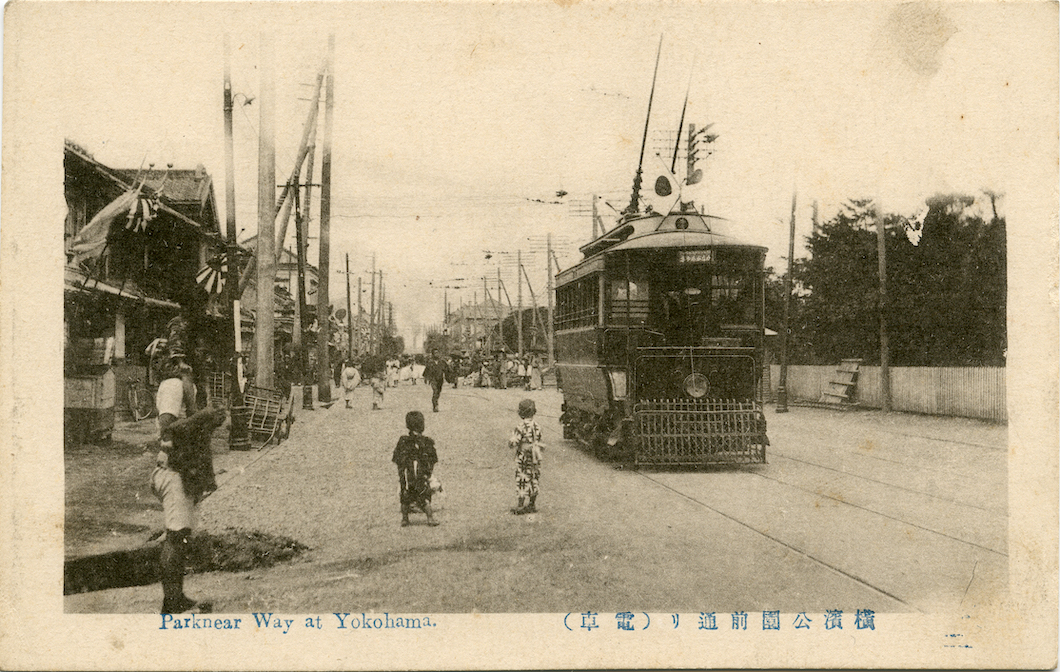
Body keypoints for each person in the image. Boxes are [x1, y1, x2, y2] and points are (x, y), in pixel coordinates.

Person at [151, 351, 227, 614]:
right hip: (172, 470)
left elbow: (192, 427)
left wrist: (211, 420)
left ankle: (176, 596)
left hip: (186, 469)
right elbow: (167, 428)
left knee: (182, 535)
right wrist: (205, 416)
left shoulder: (189, 387)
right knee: (175, 535)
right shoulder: (173, 386)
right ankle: (170, 604)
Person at [392, 411, 439, 527]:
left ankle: (405, 519)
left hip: (407, 474)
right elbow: (433, 459)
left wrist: (401, 472)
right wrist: (428, 472)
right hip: (421, 474)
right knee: (424, 497)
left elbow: (397, 458)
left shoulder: (403, 441)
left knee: (405, 496)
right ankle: (430, 518)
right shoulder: (426, 441)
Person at [509, 398, 545, 515]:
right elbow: (538, 439)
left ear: (520, 413)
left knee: (522, 477)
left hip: (523, 456)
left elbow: (514, 441)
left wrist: (511, 443)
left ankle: (520, 505)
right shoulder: (537, 426)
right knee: (534, 477)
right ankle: (532, 504)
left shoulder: (520, 427)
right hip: (535, 456)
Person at [423, 348, 447, 412]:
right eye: (435, 353)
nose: (437, 354)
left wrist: (450, 377)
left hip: (440, 379)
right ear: (433, 354)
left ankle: (435, 402)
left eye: (437, 353)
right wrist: (426, 378)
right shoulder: (430, 362)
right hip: (433, 379)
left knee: (438, 392)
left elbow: (447, 369)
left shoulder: (442, 362)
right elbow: (426, 370)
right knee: (435, 391)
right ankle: (435, 405)